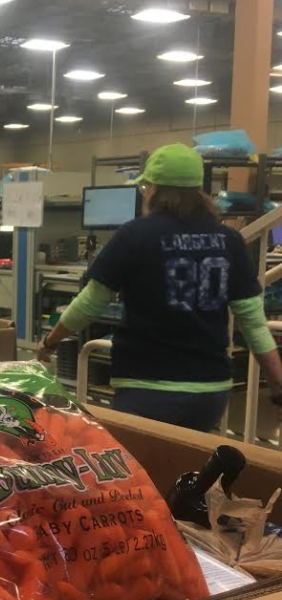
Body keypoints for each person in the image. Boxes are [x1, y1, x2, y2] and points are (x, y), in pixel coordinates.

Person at [38, 143, 282, 432]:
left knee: (143, 473)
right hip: (209, 391)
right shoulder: (229, 240)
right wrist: (278, 385)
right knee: (189, 470)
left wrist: (50, 342)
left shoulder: (134, 235)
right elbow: (254, 323)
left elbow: (90, 304)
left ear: (153, 189)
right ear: (200, 191)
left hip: (146, 386)